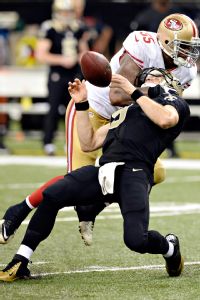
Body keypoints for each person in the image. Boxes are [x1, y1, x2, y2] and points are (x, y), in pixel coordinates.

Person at [0, 13, 199, 246]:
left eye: (191, 47)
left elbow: (168, 108)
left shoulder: (187, 70)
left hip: (126, 118)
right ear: (165, 42)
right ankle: (18, 211)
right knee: (75, 183)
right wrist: (151, 92)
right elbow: (116, 95)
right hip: (92, 108)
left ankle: (92, 208)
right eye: (183, 47)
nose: (189, 54)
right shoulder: (142, 45)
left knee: (154, 172)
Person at [0, 68, 190, 282]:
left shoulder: (174, 102)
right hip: (105, 172)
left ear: (170, 83)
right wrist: (82, 103)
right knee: (52, 195)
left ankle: (170, 249)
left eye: (156, 76)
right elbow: (88, 142)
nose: (149, 78)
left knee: (135, 240)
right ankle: (20, 261)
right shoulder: (128, 110)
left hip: (134, 173)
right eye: (146, 76)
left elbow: (166, 119)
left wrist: (132, 90)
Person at [36, 0, 89, 156]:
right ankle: (48, 142)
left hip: (74, 75)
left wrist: (79, 58)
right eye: (63, 12)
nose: (66, 16)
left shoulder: (78, 28)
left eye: (68, 12)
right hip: (56, 74)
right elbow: (41, 54)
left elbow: (84, 52)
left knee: (73, 109)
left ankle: (70, 141)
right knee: (53, 109)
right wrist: (62, 60)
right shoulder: (49, 28)